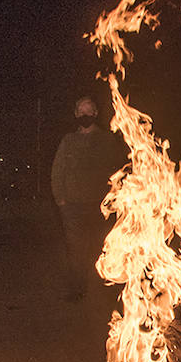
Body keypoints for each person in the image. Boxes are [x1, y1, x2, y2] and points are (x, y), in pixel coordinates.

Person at [51, 96, 124, 301]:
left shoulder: (106, 140)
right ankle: (78, 290)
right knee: (76, 251)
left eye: (89, 111)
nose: (85, 115)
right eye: (81, 111)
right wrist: (61, 200)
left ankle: (105, 291)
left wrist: (115, 198)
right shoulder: (68, 141)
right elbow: (57, 171)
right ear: (76, 114)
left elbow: (118, 169)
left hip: (101, 206)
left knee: (104, 247)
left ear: (95, 113)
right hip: (72, 206)